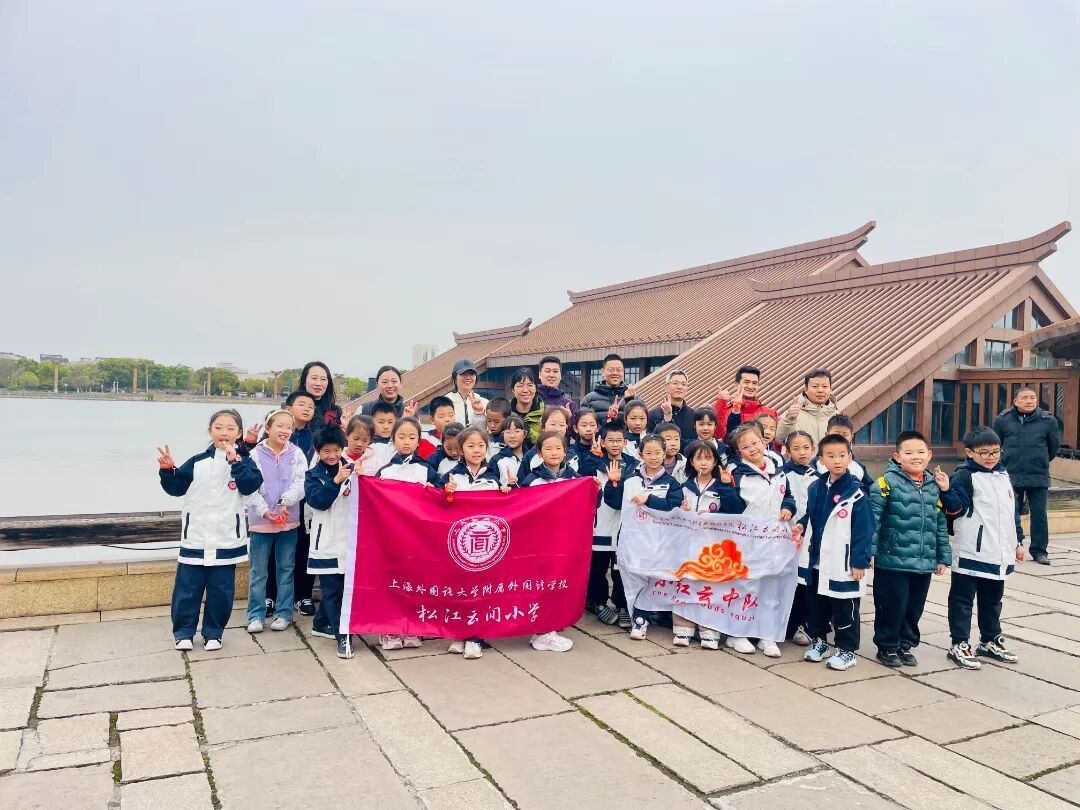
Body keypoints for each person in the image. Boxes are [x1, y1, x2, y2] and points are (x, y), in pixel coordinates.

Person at [157, 410, 262, 651]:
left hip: (227, 539)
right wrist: (167, 470)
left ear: (239, 433)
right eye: (219, 427)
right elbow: (176, 488)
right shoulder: (197, 462)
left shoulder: (244, 462)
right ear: (210, 431)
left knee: (221, 591)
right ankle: (183, 632)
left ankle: (213, 633)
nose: (224, 432)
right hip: (196, 537)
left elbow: (251, 486)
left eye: (230, 428)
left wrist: (236, 462)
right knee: (187, 590)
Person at [941, 427, 1023, 669]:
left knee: (993, 600)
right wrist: (946, 490)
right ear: (969, 452)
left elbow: (1012, 513)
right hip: (971, 550)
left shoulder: (1003, 475)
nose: (991, 457)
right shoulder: (964, 476)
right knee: (962, 600)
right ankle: (959, 643)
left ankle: (989, 640)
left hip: (999, 552)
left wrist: (1018, 541)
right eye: (984, 452)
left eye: (996, 452)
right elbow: (954, 510)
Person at [870, 430, 951, 668]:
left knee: (914, 606)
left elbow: (939, 523)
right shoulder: (885, 483)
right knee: (892, 605)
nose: (915, 457)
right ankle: (887, 646)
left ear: (929, 455)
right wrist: (869, 552)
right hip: (891, 559)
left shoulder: (933, 486)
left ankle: (905, 645)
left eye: (920, 452)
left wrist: (942, 556)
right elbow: (873, 519)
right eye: (908, 453)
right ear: (897, 456)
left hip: (923, 560)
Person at [795, 433, 874, 672]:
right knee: (816, 605)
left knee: (845, 606)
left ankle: (846, 649)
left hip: (843, 560)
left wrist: (859, 561)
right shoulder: (816, 487)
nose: (837, 460)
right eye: (830, 456)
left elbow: (864, 529)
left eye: (842, 455)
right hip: (816, 559)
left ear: (850, 457)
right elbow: (811, 515)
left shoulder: (856, 492)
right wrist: (801, 525)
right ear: (821, 459)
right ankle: (819, 641)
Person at [726, 423, 795, 657]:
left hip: (775, 540)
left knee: (771, 588)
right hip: (748, 541)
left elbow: (788, 496)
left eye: (755, 442)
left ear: (763, 442)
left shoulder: (778, 469)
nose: (752, 448)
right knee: (746, 586)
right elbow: (731, 508)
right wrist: (726, 487)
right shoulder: (736, 474)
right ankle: (737, 633)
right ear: (739, 452)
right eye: (745, 447)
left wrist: (788, 507)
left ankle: (767, 635)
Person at [608, 434, 683, 641]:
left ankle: (648, 616)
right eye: (648, 453)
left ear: (664, 454)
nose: (653, 457)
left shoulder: (671, 482)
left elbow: (673, 507)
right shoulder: (630, 479)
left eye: (658, 452)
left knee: (655, 579)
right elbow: (614, 503)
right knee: (634, 579)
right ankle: (639, 618)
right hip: (633, 541)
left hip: (659, 541)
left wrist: (649, 499)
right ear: (640, 455)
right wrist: (613, 484)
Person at [375, 417, 438, 651]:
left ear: (419, 441)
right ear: (393, 440)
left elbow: (440, 499)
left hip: (418, 537)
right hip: (391, 536)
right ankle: (389, 628)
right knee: (392, 582)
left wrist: (434, 492)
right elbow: (373, 500)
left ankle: (413, 626)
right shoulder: (385, 471)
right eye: (401, 437)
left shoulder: (426, 469)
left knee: (415, 582)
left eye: (412, 437)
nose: (406, 441)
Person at [674, 440, 743, 649]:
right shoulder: (684, 487)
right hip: (687, 546)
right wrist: (681, 511)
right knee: (686, 585)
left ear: (715, 462)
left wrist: (726, 487)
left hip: (713, 548)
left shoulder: (722, 484)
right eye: (699, 459)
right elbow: (673, 513)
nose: (703, 463)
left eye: (708, 458)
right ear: (691, 462)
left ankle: (710, 631)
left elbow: (735, 510)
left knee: (710, 587)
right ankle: (683, 629)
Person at [245, 409, 308, 634]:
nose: (284, 431)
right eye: (279, 426)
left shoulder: (297, 453)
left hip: (287, 520)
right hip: (261, 522)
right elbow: (248, 487)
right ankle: (255, 614)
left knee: (286, 568)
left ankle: (284, 613)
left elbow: (301, 482)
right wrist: (264, 511)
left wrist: (285, 502)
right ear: (268, 428)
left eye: (289, 427)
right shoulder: (254, 454)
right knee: (258, 571)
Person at [305, 426, 357, 659]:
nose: (332, 455)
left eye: (336, 450)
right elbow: (318, 501)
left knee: (345, 590)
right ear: (318, 451)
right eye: (326, 451)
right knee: (333, 590)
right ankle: (343, 636)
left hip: (350, 540)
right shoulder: (312, 475)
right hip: (325, 541)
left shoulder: (355, 470)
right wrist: (335, 482)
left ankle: (321, 623)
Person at [993, 387, 1061, 565]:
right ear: (1015, 401)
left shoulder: (1048, 421)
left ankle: (1039, 551)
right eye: (1024, 398)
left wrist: (1040, 461)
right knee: (1010, 512)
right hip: (1010, 475)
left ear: (1037, 401)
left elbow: (1053, 447)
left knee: (1039, 515)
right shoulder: (1003, 420)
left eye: (1032, 397)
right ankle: (1014, 546)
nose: (1029, 401)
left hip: (1038, 475)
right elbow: (995, 445)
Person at [586, 420, 636, 628]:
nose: (615, 444)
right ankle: (598, 603)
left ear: (625, 442)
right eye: (610, 440)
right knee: (597, 567)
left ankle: (622, 605)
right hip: (600, 524)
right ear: (603, 442)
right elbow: (583, 479)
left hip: (625, 526)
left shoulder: (634, 465)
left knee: (620, 569)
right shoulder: (596, 463)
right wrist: (593, 458)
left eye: (618, 440)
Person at [781, 430, 817, 647]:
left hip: (808, 536)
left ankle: (799, 625)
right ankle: (783, 623)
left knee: (803, 581)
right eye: (796, 448)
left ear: (813, 449)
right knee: (784, 581)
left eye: (806, 448)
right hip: (784, 534)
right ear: (787, 451)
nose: (802, 452)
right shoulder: (781, 475)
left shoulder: (819, 476)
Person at [776, 369, 840, 445]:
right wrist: (789, 420)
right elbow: (780, 440)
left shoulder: (837, 416)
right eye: (815, 386)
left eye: (825, 386)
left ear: (830, 389)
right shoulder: (792, 414)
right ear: (806, 389)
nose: (820, 390)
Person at [714, 366, 776, 441]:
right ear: (736, 385)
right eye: (746, 382)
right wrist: (721, 402)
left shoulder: (770, 413)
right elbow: (717, 434)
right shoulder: (726, 411)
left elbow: (777, 442)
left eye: (754, 383)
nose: (750, 386)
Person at [647, 370, 696, 441]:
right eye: (675, 383)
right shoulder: (653, 415)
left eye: (683, 384)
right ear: (666, 387)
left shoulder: (694, 415)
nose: (679, 387)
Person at [299, 361, 342, 432]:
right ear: (304, 381)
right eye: (314, 378)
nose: (318, 383)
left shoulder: (335, 412)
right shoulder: (292, 409)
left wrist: (346, 429)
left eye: (323, 379)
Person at [582, 354, 629, 418]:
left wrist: (630, 401)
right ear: (603, 371)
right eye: (611, 370)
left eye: (619, 370)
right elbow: (584, 422)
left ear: (623, 372)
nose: (615, 373)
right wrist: (609, 417)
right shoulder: (589, 400)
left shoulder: (633, 398)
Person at [447, 359, 489, 428]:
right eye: (463, 374)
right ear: (454, 379)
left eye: (471, 374)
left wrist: (479, 411)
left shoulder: (484, 403)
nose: (468, 377)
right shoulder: (446, 401)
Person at [509, 367, 545, 446]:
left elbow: (548, 441)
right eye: (520, 386)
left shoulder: (545, 413)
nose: (525, 390)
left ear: (536, 388)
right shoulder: (505, 413)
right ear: (513, 389)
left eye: (530, 385)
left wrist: (527, 430)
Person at [491, 415, 528, 487]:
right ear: (503, 434)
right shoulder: (496, 460)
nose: (512, 436)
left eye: (517, 431)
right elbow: (491, 481)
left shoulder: (531, 457)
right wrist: (502, 487)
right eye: (508, 432)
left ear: (525, 434)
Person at [418, 395, 456, 460]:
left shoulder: (462, 438)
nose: (447, 419)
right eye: (441, 416)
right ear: (432, 420)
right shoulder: (424, 438)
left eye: (451, 415)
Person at [368, 400, 398, 467]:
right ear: (372, 421)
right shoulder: (366, 442)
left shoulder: (399, 442)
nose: (386, 426)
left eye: (390, 422)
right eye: (381, 422)